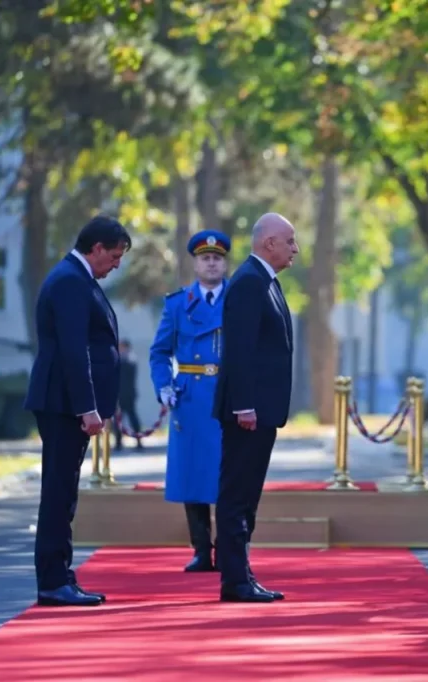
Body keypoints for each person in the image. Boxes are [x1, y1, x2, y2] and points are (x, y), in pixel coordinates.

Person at [23, 215, 132, 607]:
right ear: (97, 248)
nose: (117, 264)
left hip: (65, 403)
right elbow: (74, 350)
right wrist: (87, 407)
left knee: (64, 493)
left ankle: (60, 575)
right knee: (58, 493)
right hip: (63, 404)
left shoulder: (77, 278)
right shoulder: (70, 280)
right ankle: (53, 580)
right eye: (115, 255)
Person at [212, 213, 299, 603]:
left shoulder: (265, 281)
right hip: (247, 413)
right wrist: (243, 406)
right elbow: (239, 352)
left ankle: (243, 573)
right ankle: (234, 580)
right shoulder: (249, 282)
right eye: (290, 241)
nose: (295, 249)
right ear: (269, 244)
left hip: (261, 411)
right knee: (236, 495)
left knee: (248, 497)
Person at [150, 230, 231, 572]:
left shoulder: (239, 300)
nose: (211, 263)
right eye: (204, 258)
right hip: (191, 397)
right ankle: (201, 549)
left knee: (229, 476)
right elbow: (159, 353)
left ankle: (230, 549)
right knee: (193, 475)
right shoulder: (177, 304)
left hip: (228, 394)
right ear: (195, 264)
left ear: (225, 262)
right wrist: (164, 386)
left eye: (217, 258)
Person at [114, 340, 143, 451]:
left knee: (131, 418)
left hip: (127, 394)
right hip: (122, 393)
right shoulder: (127, 359)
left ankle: (138, 440)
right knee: (119, 419)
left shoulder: (129, 359)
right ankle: (118, 442)